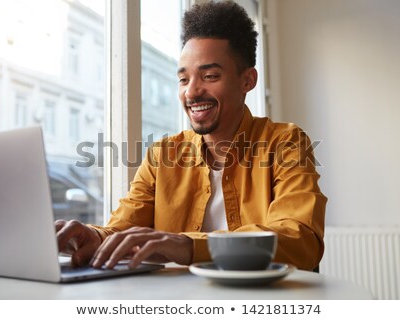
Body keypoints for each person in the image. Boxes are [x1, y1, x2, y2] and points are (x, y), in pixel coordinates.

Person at [56, 1, 327, 271]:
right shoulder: (162, 155)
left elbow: (300, 240)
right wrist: (95, 237)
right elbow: (122, 229)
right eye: (184, 79)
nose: (192, 92)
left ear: (247, 80)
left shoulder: (285, 142)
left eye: (209, 76)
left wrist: (187, 245)